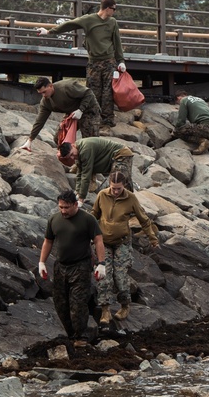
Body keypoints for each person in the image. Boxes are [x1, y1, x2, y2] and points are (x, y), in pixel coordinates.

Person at [37, 0, 124, 129]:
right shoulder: (89, 20)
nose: (114, 12)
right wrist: (49, 31)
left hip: (109, 61)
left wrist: (121, 61)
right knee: (93, 91)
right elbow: (70, 24)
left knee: (108, 92)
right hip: (94, 62)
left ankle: (107, 121)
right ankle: (92, 117)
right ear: (107, 8)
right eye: (114, 9)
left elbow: (117, 42)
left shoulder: (112, 22)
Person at [38, 190, 106, 346]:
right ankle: (71, 335)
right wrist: (42, 262)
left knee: (78, 303)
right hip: (60, 266)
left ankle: (81, 337)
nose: (63, 211)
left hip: (81, 266)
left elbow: (98, 240)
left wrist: (101, 264)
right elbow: (48, 241)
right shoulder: (54, 219)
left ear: (76, 205)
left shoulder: (88, 219)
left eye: (66, 207)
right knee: (60, 304)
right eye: (61, 207)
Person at [91, 171, 158, 324]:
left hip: (122, 242)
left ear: (124, 186)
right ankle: (105, 310)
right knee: (104, 275)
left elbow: (144, 220)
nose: (115, 191)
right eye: (113, 188)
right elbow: (94, 214)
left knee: (120, 276)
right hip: (103, 242)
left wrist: (152, 238)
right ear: (109, 184)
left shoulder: (131, 198)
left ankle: (125, 305)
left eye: (118, 189)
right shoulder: (102, 195)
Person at [19, 77, 100, 151]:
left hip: (88, 109)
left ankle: (94, 161)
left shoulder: (66, 87)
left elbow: (88, 93)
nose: (43, 95)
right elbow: (40, 121)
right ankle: (70, 157)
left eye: (44, 92)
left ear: (50, 86)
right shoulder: (45, 102)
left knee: (90, 141)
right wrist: (30, 140)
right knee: (59, 138)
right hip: (71, 112)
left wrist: (81, 110)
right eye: (41, 93)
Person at [59, 137, 134, 203]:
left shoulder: (85, 149)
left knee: (118, 182)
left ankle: (128, 207)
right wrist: (77, 192)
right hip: (114, 158)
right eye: (70, 157)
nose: (72, 158)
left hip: (121, 155)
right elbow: (79, 173)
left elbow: (86, 175)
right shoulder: (78, 151)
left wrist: (81, 198)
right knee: (118, 185)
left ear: (73, 145)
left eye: (72, 154)